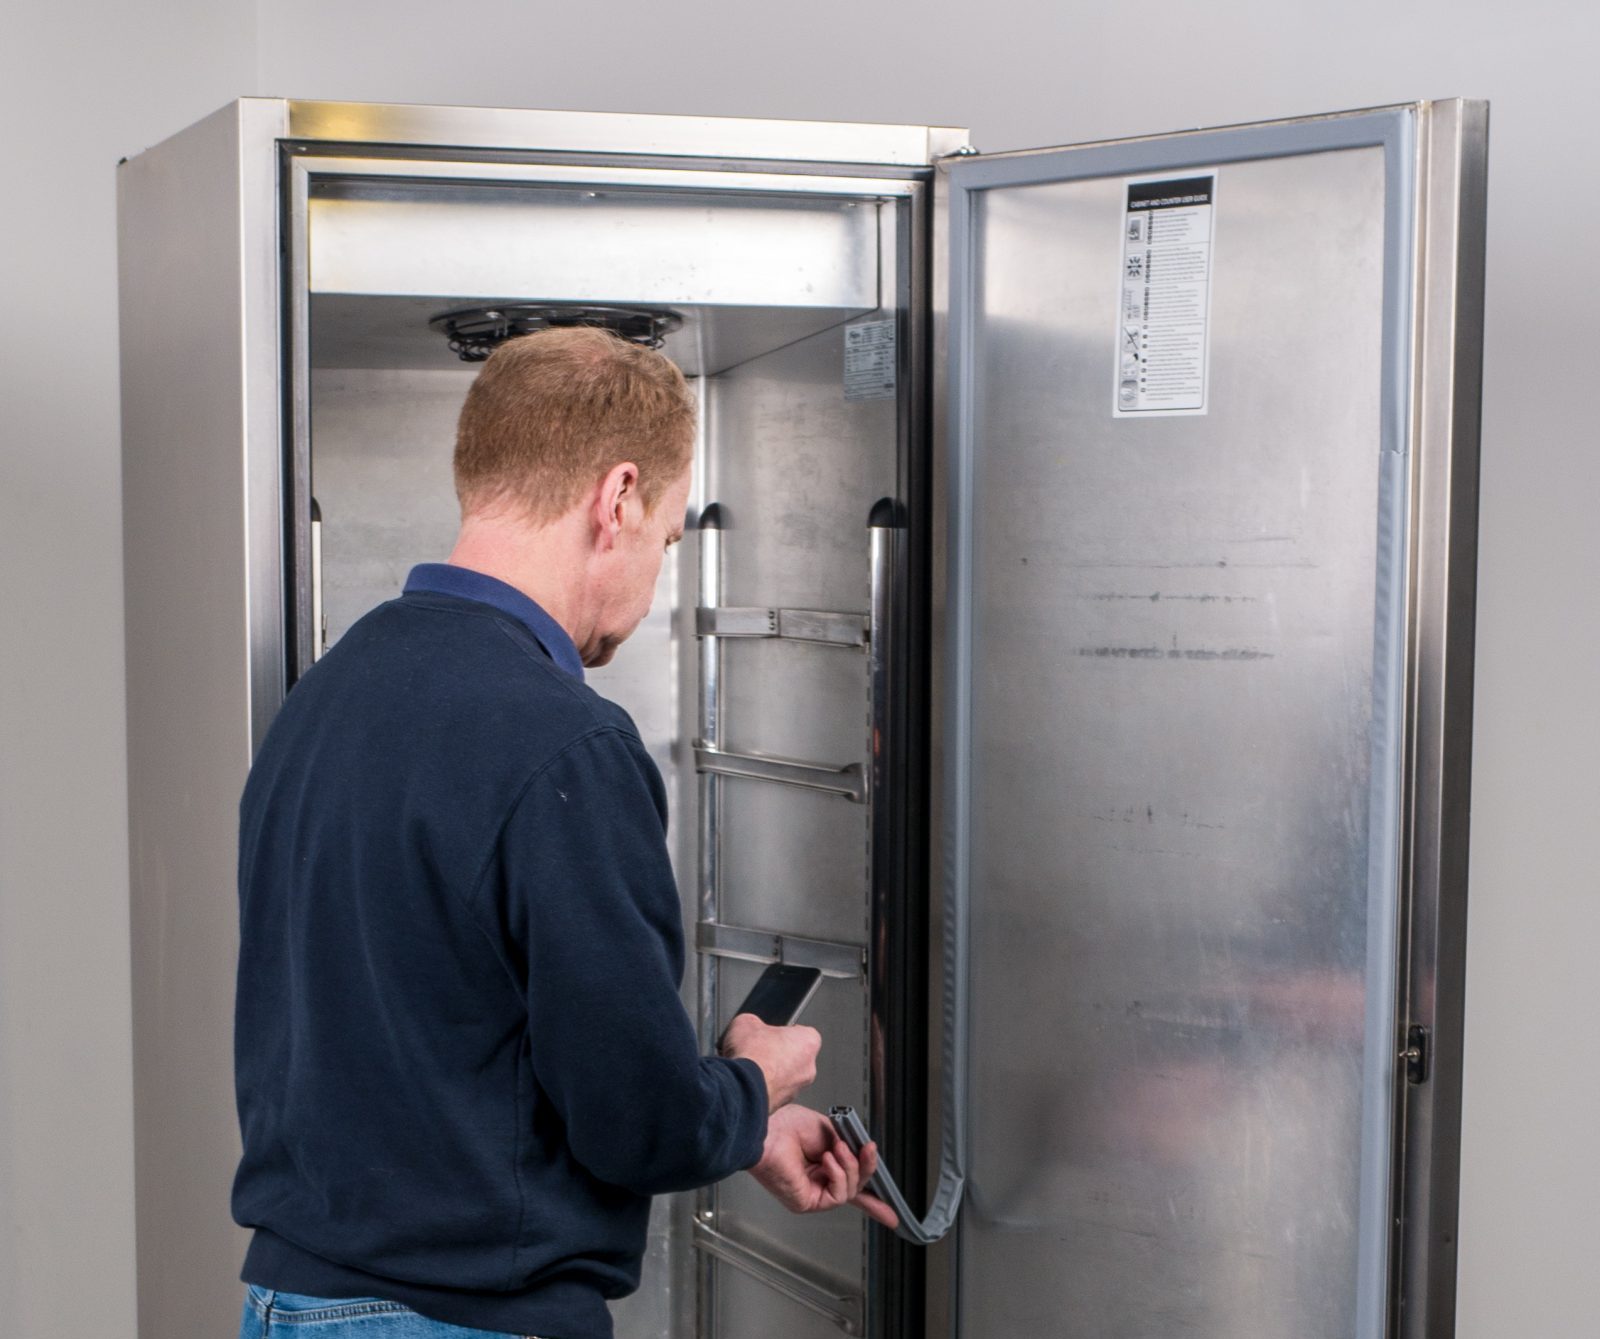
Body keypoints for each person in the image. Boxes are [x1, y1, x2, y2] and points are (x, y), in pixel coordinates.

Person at [232, 327, 895, 1339]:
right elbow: (637, 1122)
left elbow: (438, 1049)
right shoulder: (564, 743)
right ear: (617, 496)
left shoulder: (328, 694)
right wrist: (757, 1075)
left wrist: (738, 1127)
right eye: (670, 540)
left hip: (291, 1302)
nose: (655, 576)